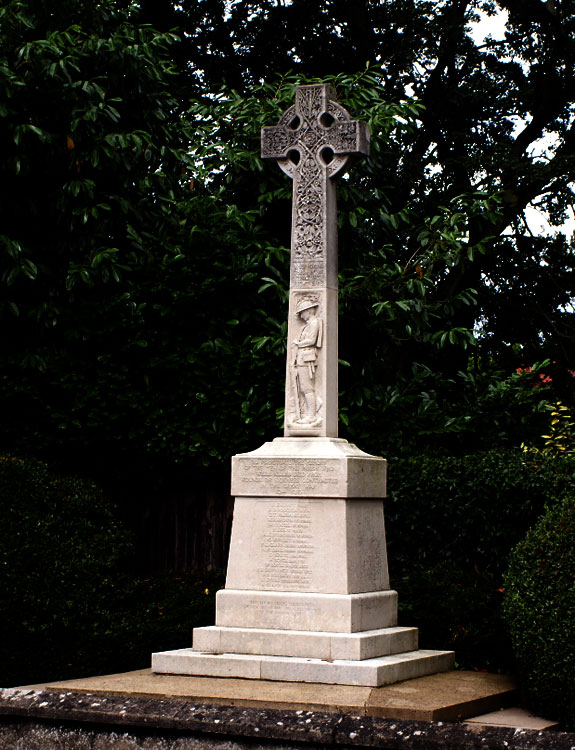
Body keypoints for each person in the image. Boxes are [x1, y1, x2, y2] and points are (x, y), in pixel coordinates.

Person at [291, 297, 322, 424]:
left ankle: (312, 416)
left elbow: (311, 341)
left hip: (306, 358)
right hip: (302, 358)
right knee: (303, 388)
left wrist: (298, 343)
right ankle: (305, 413)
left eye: (302, 312)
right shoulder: (308, 324)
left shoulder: (314, 323)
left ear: (308, 310)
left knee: (307, 388)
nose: (301, 316)